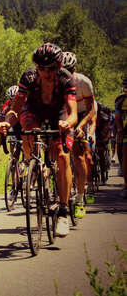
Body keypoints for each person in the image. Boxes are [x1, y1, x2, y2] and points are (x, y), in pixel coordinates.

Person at [0, 43, 77, 237]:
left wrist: (68, 124)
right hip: (34, 111)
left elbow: (73, 113)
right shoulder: (29, 77)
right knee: (28, 129)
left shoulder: (66, 79)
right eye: (41, 68)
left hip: (58, 112)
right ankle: (33, 163)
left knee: (62, 155)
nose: (45, 72)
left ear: (58, 67)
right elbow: (15, 108)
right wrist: (6, 123)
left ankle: (64, 211)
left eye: (50, 69)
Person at [61, 51, 96, 216]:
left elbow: (91, 110)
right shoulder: (58, 80)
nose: (67, 73)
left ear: (75, 68)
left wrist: (81, 126)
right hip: (65, 113)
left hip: (82, 116)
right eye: (63, 69)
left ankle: (81, 197)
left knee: (81, 156)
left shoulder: (84, 82)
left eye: (70, 69)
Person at [114, 76, 127, 198]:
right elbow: (117, 118)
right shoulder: (121, 100)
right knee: (124, 154)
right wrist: (120, 130)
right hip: (126, 129)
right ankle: (126, 185)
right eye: (125, 87)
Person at [95, 101, 113, 185]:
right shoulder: (91, 116)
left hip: (103, 135)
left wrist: (104, 139)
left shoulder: (104, 118)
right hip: (94, 134)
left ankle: (102, 176)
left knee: (101, 153)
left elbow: (107, 130)